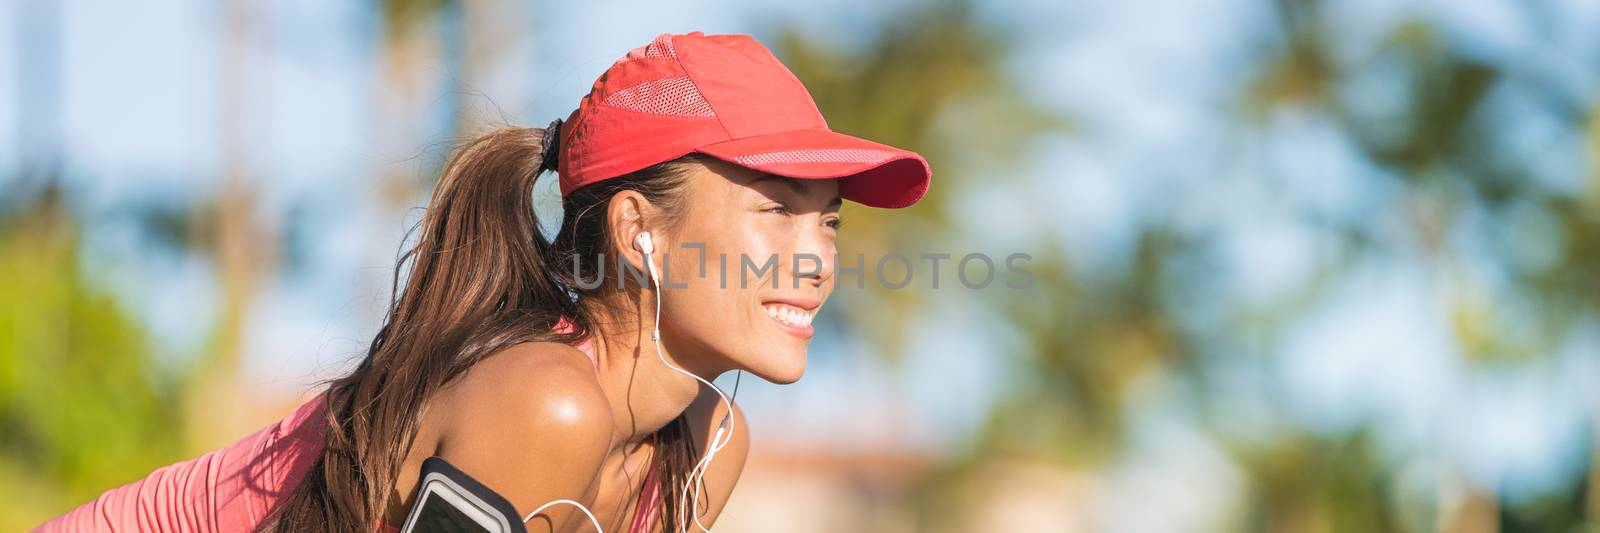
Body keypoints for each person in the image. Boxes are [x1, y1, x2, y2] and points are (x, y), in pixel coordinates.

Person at [38, 31, 930, 533]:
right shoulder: (548, 401)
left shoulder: (704, 445)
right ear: (638, 231)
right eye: (777, 210)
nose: (817, 255)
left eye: (829, 219)